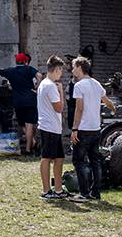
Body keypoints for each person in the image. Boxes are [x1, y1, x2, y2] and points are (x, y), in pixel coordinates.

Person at [70, 56, 117, 202]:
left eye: (73, 67)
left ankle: (84, 193)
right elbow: (107, 101)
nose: (72, 70)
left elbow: (79, 108)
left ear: (79, 67)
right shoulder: (96, 84)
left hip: (83, 129)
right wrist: (114, 109)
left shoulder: (79, 86)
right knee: (95, 161)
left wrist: (74, 129)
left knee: (79, 161)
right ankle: (95, 192)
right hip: (96, 129)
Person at [0, 53, 40, 155]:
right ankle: (29, 148)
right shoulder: (29, 69)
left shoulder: (11, 71)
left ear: (16, 62)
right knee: (29, 125)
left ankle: (33, 142)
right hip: (30, 101)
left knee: (21, 124)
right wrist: (38, 87)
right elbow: (39, 75)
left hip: (18, 102)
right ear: (25, 61)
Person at [37, 55, 68, 200]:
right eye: (61, 70)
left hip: (52, 127)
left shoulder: (44, 83)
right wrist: (61, 91)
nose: (61, 74)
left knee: (59, 158)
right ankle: (46, 190)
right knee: (46, 158)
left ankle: (58, 189)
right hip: (49, 127)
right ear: (57, 70)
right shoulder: (50, 85)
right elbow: (60, 107)